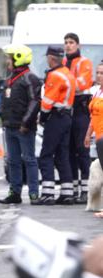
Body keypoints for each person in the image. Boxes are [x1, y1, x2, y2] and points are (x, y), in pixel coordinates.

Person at [0, 44, 42, 205]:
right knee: (13, 161)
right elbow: (5, 99)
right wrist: (2, 114)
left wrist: (25, 122)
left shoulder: (30, 78)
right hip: (10, 126)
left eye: (9, 57)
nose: (7, 61)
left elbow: (35, 101)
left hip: (24, 128)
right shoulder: (11, 78)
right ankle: (14, 192)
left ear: (18, 58)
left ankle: (33, 193)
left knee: (29, 160)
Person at [35, 46, 76, 205]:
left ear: (51, 58)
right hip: (66, 117)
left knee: (46, 155)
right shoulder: (68, 73)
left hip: (56, 117)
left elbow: (47, 102)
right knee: (62, 155)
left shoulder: (55, 75)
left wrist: (43, 117)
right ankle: (67, 193)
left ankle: (47, 194)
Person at [64, 33, 94, 204]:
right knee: (68, 152)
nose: (68, 46)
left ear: (78, 45)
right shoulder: (63, 63)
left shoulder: (84, 62)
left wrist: (64, 83)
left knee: (82, 151)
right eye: (66, 43)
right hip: (67, 111)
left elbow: (83, 84)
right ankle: (74, 189)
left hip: (80, 110)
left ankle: (86, 190)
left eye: (71, 42)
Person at [85, 62, 103, 218]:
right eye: (97, 73)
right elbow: (93, 117)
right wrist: (87, 134)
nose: (98, 76)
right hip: (98, 138)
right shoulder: (97, 92)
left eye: (102, 73)